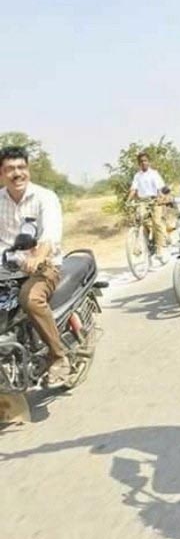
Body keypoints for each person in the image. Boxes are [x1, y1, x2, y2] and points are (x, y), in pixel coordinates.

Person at [0, 145, 69, 386]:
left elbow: (50, 235)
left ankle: (58, 357)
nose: (16, 173)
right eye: (9, 169)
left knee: (30, 300)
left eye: (21, 167)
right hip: (6, 270)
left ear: (28, 170)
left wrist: (38, 256)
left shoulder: (45, 197)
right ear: (1, 174)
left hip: (43, 267)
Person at [128, 152, 168, 260]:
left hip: (154, 200)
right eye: (141, 161)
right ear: (138, 164)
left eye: (145, 160)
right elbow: (133, 189)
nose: (143, 163)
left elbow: (160, 188)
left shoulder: (154, 174)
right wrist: (128, 201)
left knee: (157, 222)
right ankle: (139, 245)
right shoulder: (137, 176)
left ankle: (159, 248)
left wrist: (162, 198)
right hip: (142, 201)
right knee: (140, 220)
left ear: (148, 162)